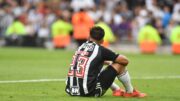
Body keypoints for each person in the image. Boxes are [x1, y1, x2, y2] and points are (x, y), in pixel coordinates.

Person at [65, 26, 147, 97]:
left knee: (97, 65)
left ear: (89, 37)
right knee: (119, 64)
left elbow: (89, 62)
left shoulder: (81, 47)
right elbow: (125, 61)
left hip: (71, 90)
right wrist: (111, 63)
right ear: (102, 40)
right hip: (89, 92)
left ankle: (117, 90)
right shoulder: (100, 49)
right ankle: (130, 92)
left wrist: (106, 62)